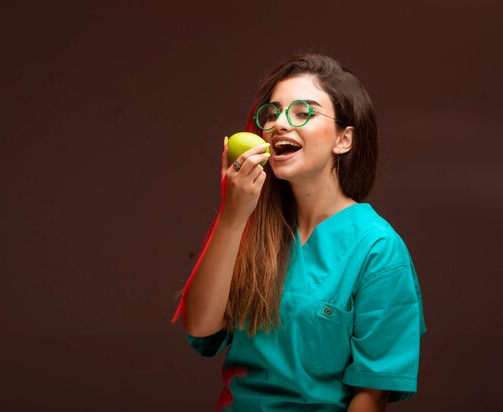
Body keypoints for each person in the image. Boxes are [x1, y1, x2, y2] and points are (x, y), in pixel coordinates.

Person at [173, 53, 426, 411]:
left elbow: (370, 396)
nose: (279, 124)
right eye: (272, 113)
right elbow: (200, 326)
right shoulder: (250, 226)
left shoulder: (378, 249)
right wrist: (232, 214)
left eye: (303, 112)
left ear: (344, 139)